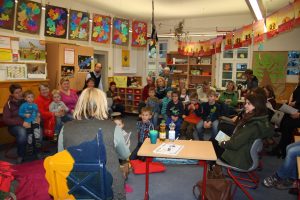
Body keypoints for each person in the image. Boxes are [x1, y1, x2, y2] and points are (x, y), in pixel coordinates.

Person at [57, 88, 130, 199]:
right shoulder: (113, 127)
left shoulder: (65, 128)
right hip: (108, 188)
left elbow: (61, 157)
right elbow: (124, 155)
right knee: (123, 166)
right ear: (103, 104)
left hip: (75, 187)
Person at [216, 93, 274, 170]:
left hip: (238, 158)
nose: (245, 106)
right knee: (216, 138)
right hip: (243, 152)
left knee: (214, 142)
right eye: (246, 103)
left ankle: (214, 171)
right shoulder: (261, 120)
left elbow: (234, 145)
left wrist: (222, 142)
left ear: (257, 106)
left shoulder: (253, 125)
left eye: (249, 104)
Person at [3, 84, 39, 163]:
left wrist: (37, 117)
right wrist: (21, 122)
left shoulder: (27, 100)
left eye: (20, 91)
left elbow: (35, 110)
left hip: (28, 122)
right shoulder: (8, 105)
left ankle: (36, 152)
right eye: (16, 92)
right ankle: (21, 155)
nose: (19, 94)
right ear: (12, 94)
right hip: (15, 126)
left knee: (38, 129)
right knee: (22, 132)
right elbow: (5, 120)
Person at [277, 78, 300, 158]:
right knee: (284, 121)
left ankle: (284, 150)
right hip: (294, 111)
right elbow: (294, 98)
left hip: (298, 114)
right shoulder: (298, 86)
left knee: (288, 124)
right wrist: (291, 103)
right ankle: (282, 148)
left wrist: (299, 114)